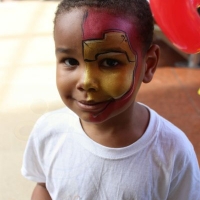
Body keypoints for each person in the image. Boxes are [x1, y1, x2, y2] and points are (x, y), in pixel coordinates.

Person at [21, 0, 200, 199]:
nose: (86, 82)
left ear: (148, 65)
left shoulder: (173, 152)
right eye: (70, 61)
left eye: (110, 62)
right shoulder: (48, 131)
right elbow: (44, 186)